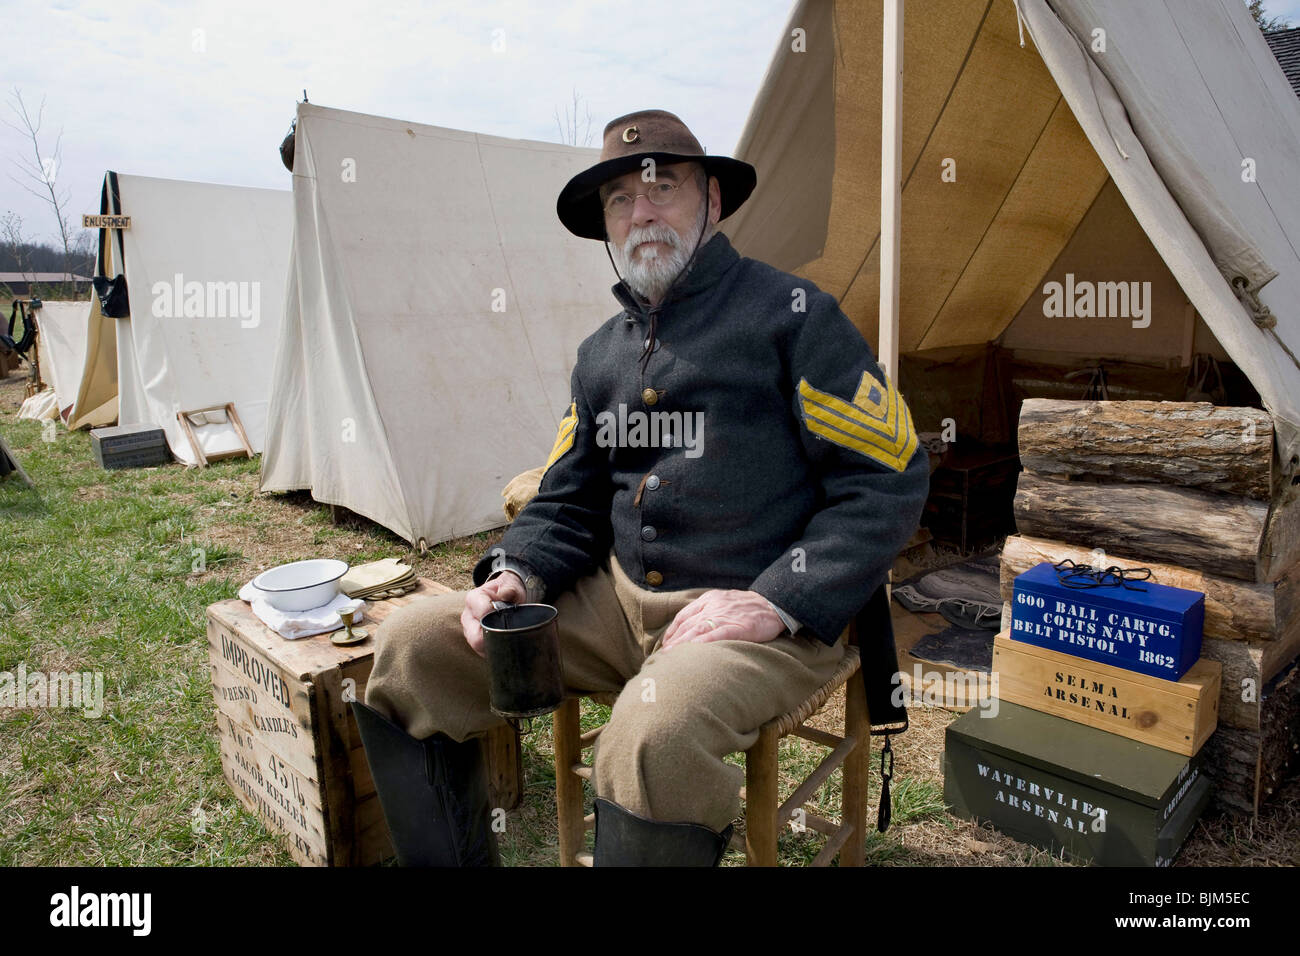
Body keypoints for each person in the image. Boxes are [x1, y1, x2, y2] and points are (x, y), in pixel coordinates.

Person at [354, 109, 930, 867]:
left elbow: (888, 475)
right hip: (615, 607)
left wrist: (778, 598)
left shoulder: (794, 318)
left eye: (664, 188)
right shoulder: (600, 355)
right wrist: (514, 571)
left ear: (714, 202)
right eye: (620, 199)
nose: (642, 212)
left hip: (762, 620)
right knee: (407, 652)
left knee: (648, 737)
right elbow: (566, 497)